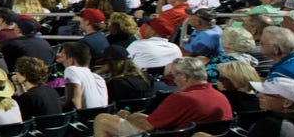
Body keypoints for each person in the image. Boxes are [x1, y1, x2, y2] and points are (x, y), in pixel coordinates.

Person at [93, 57, 230, 137]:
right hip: (179, 130)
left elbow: (148, 126)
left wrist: (128, 116)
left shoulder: (183, 98)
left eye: (174, 75)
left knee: (102, 119)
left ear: (184, 76)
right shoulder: (221, 97)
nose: (174, 80)